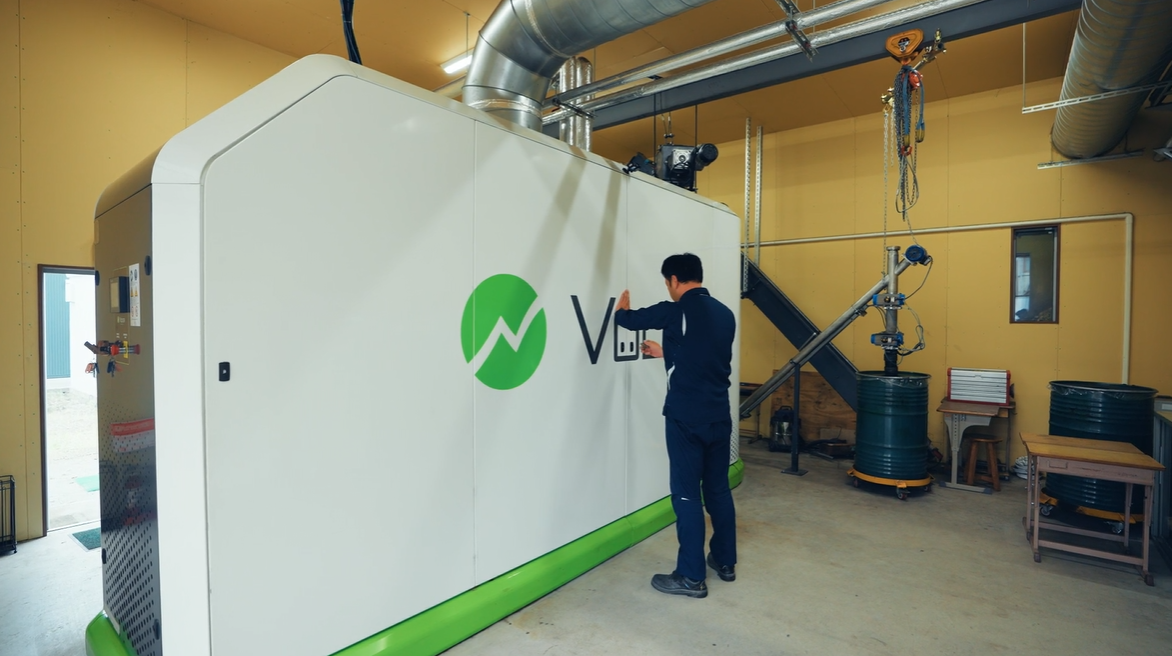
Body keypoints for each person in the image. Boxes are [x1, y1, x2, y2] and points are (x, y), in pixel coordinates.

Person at [615, 253, 737, 599]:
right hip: (719, 416)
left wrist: (621, 308)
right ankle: (725, 562)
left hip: (686, 418)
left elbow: (629, 321)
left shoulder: (675, 310)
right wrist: (665, 353)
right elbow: (703, 355)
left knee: (686, 495)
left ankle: (690, 577)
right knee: (717, 491)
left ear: (673, 280)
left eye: (667, 283)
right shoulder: (724, 313)